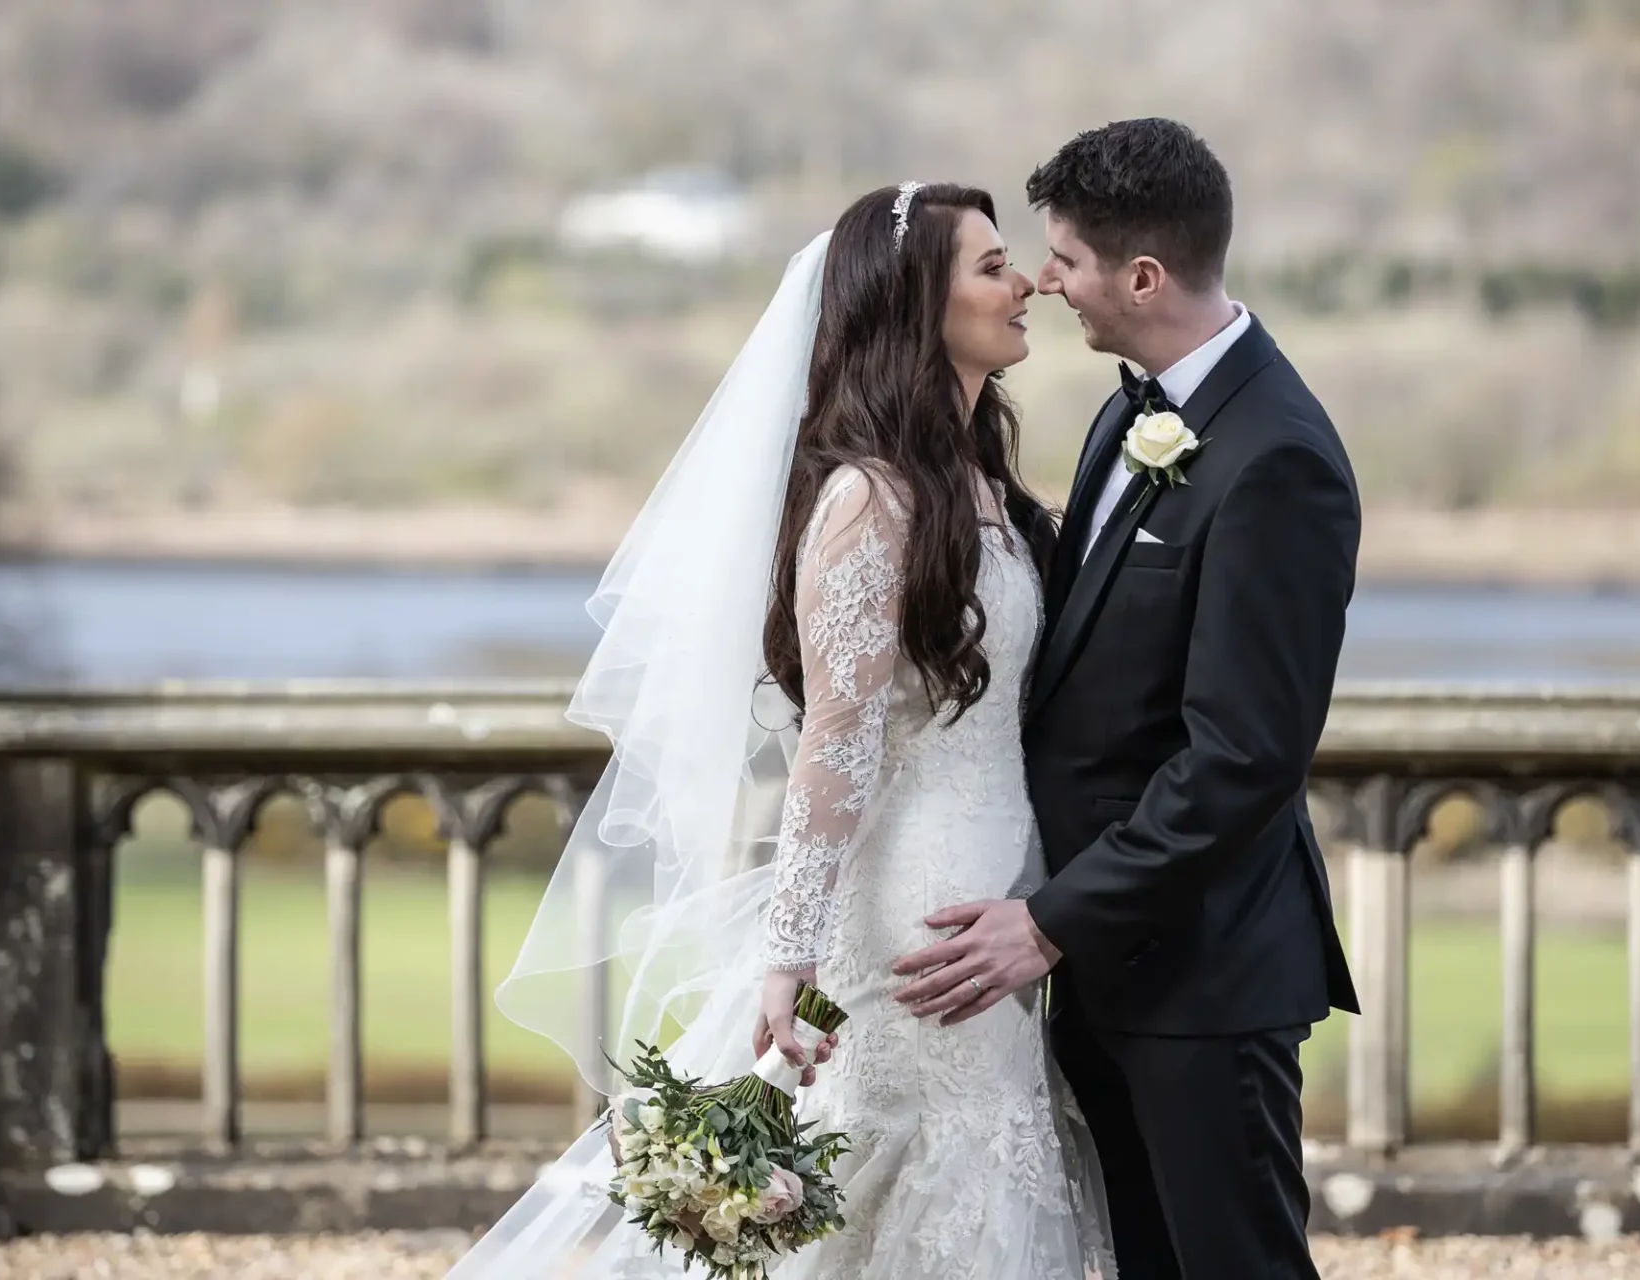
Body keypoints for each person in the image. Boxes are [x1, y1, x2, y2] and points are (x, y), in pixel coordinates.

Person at [447, 182, 1112, 1279]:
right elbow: (837, 738)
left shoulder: (980, 482)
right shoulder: (869, 499)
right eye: (992, 265)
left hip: (1006, 872)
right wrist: (790, 953)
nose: (1029, 280)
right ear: (913, 300)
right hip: (921, 897)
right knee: (944, 1169)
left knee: (970, 1170)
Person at [893, 118, 1363, 1279]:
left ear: (1143, 276)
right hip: (1106, 965)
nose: (1047, 281)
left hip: (1202, 978)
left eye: (1064, 258)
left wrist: (1050, 918)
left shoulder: (1276, 458)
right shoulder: (1134, 408)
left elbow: (1242, 758)